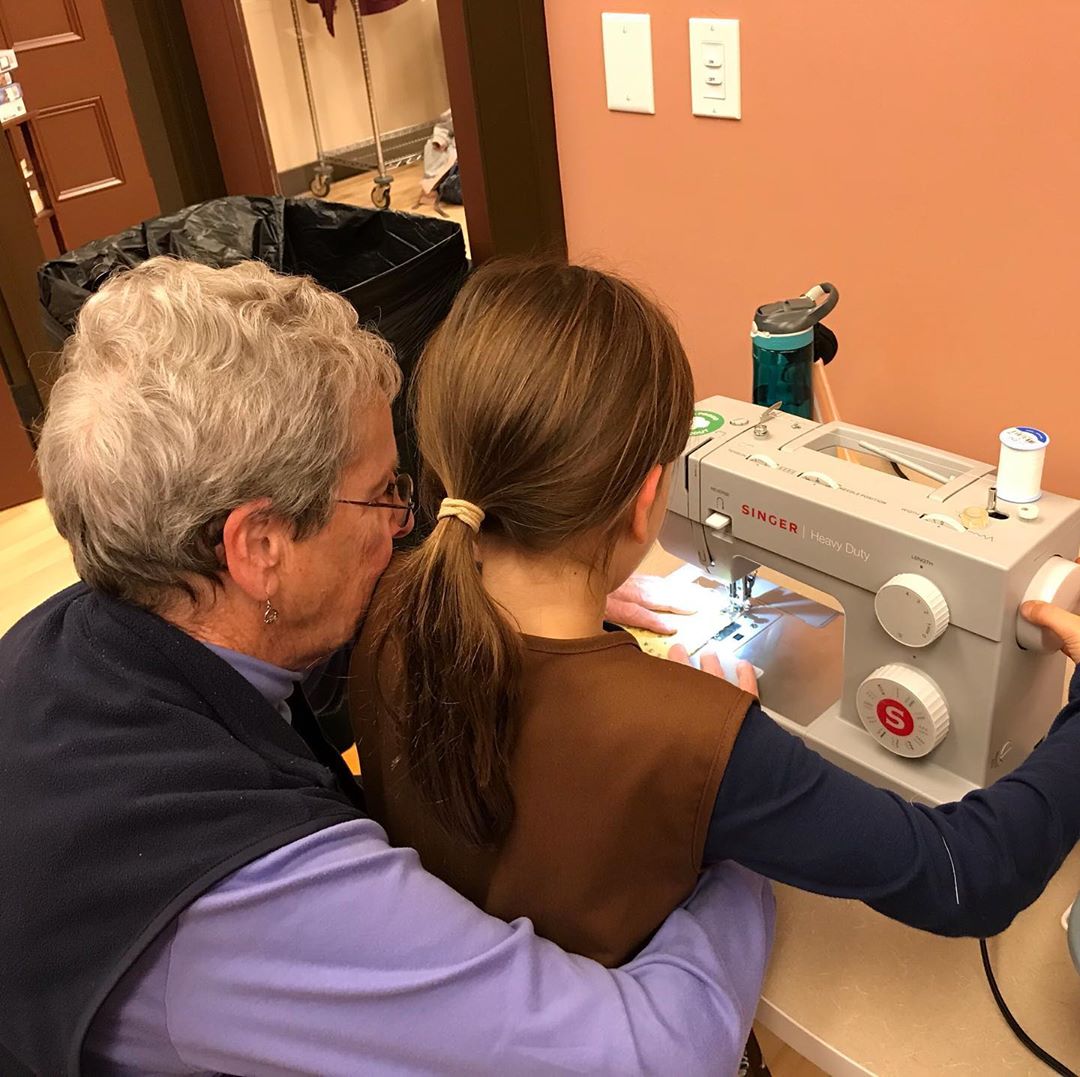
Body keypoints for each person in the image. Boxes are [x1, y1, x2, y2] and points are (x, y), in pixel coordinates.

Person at [0, 257, 775, 1077]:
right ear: (259, 547)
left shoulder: (78, 634)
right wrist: (741, 844)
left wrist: (531, 580)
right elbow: (648, 1056)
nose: (403, 524)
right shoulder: (245, 896)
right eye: (380, 495)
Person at [350, 258, 1080, 966]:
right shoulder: (693, 736)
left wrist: (578, 594)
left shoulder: (387, 606)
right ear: (646, 501)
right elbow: (970, 874)